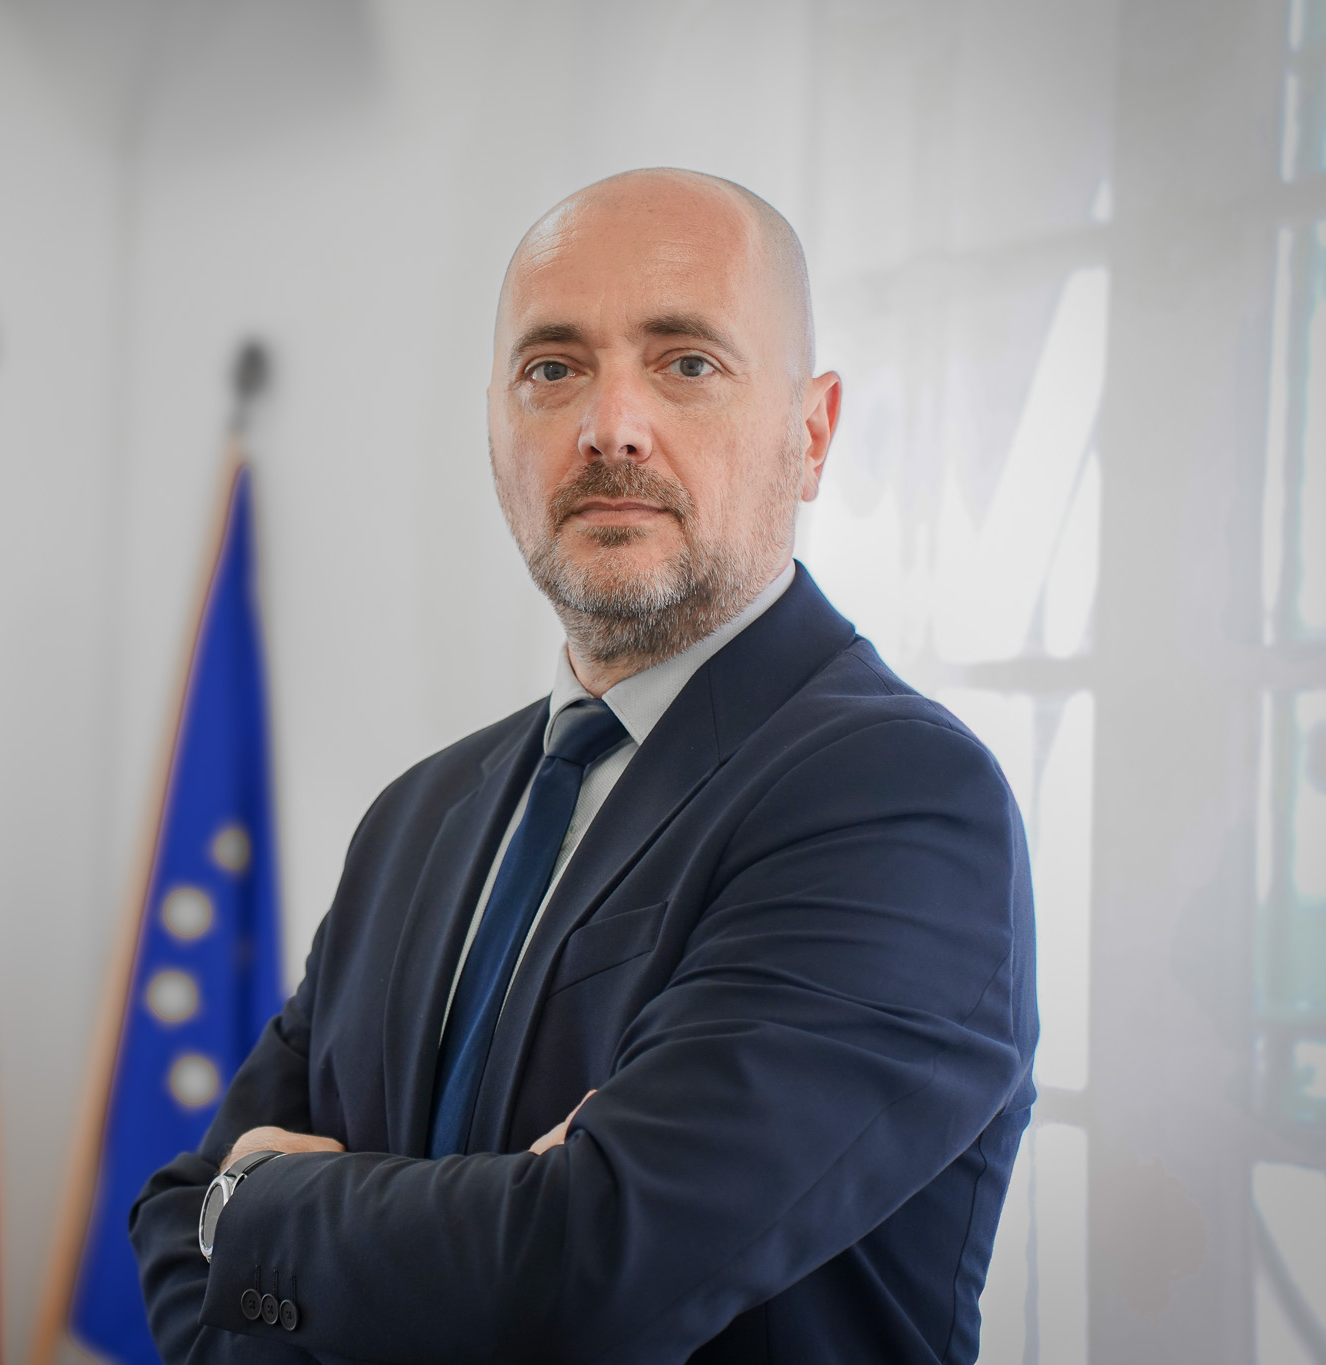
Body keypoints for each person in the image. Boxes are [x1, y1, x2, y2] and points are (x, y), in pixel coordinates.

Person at [130, 168, 1037, 1364]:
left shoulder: (899, 804)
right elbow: (170, 1227)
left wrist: (259, 1209)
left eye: (685, 362)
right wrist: (472, 1220)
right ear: (496, 427)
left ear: (810, 434)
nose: (609, 426)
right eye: (552, 369)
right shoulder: (417, 815)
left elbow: (583, 1274)